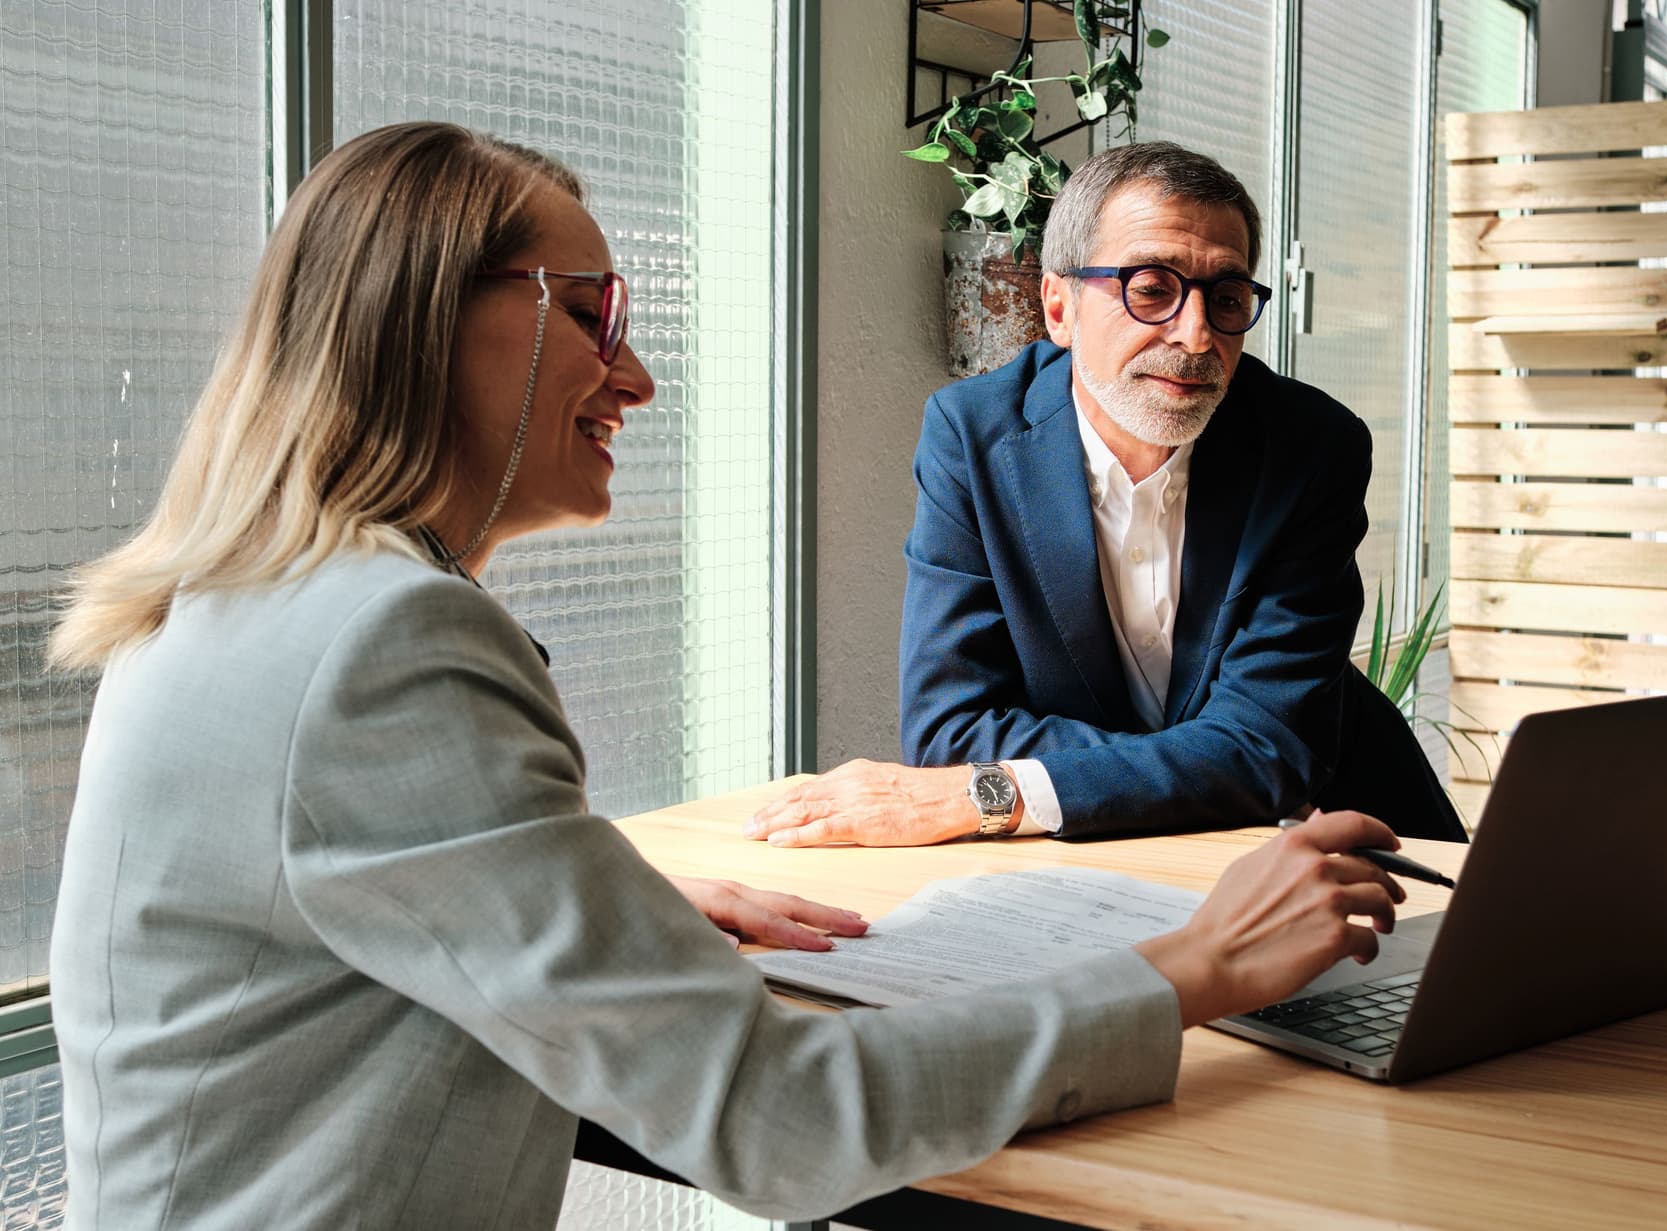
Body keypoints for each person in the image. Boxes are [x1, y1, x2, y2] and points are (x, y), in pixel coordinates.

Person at [44, 123, 1406, 1228]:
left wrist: (585, 891)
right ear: (422, 323)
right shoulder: (385, 643)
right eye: (593, 312)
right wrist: (1191, 966)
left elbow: (317, 899)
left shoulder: (235, 596)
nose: (634, 374)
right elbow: (781, 1116)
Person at [747, 142, 1373, 848]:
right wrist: (1191, 762)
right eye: (1151, 287)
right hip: (1073, 866)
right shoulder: (973, 438)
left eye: (1226, 298)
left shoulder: (1312, 448)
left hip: (1312, 841)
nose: (1197, 335)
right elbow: (950, 728)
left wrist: (1005, 788)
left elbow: (1266, 746)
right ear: (1058, 307)